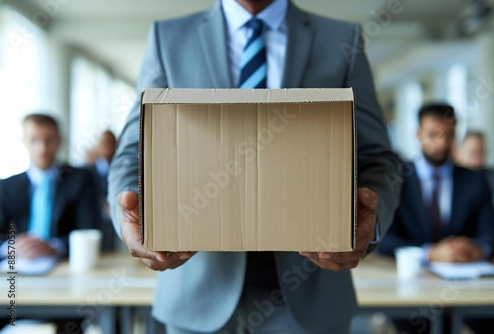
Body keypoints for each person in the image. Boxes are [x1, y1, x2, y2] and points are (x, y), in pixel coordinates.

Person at [108, 0, 401, 333]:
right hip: (196, 289)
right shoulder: (169, 37)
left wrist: (368, 223)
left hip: (311, 288)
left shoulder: (340, 38)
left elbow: (378, 157)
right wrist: (132, 219)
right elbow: (133, 153)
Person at [378, 104, 494, 334]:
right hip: (411, 289)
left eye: (449, 135)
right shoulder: (396, 181)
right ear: (418, 134)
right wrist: (430, 253)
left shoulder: (474, 180)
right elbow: (384, 240)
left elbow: (490, 234)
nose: (442, 143)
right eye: (433, 134)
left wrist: (477, 249)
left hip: (468, 289)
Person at [0, 113, 100, 259]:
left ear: (59, 140)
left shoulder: (81, 179)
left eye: (49, 140)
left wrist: (54, 247)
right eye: (34, 140)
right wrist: (9, 248)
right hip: (15, 266)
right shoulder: (5, 187)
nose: (42, 148)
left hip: (65, 265)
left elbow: (88, 230)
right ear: (24, 141)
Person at [454, 131, 494, 223]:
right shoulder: (445, 180)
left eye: (482, 153)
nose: (479, 160)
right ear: (456, 153)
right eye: (473, 153)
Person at [89, 130, 118, 251]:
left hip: (113, 212)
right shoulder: (89, 168)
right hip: (95, 213)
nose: (107, 146)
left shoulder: (119, 167)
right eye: (104, 143)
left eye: (111, 143)